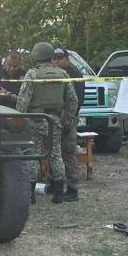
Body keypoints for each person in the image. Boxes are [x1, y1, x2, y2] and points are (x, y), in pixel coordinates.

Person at [13, 42, 78, 204]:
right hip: (54, 120)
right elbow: (73, 100)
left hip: (34, 119)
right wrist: (68, 119)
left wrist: (19, 118)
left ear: (35, 56)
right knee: (56, 155)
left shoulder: (32, 75)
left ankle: (31, 196)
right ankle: (58, 195)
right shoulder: (63, 74)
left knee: (32, 154)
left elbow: (23, 100)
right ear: (51, 55)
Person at [52, 47, 85, 202]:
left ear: (66, 58)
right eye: (54, 58)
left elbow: (77, 100)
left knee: (68, 152)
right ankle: (56, 183)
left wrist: (68, 118)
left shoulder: (75, 74)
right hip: (55, 118)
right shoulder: (54, 73)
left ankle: (72, 189)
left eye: (60, 58)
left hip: (69, 119)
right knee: (54, 153)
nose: (57, 61)